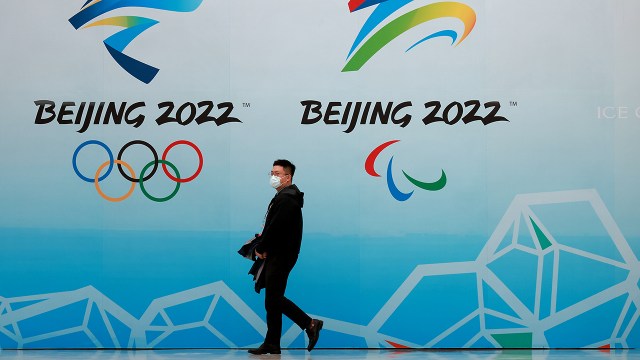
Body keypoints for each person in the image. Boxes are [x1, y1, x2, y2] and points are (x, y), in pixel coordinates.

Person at [248, 159, 323, 355]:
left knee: (274, 298)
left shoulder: (287, 199)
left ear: (288, 177)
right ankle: (272, 343)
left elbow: (276, 228)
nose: (273, 177)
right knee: (271, 300)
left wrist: (262, 246)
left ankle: (310, 323)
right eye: (271, 172)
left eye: (277, 173)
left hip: (281, 255)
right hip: (279, 253)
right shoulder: (284, 197)